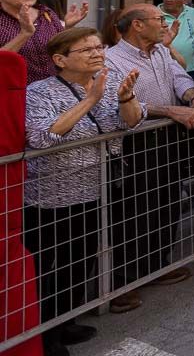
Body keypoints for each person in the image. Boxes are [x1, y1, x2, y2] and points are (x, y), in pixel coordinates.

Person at [24, 28, 143, 356]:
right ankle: (44, 338)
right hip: (52, 194)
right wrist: (89, 99)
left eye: (98, 47)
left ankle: (64, 323)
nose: (97, 53)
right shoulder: (39, 91)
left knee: (80, 261)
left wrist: (125, 98)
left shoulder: (107, 81)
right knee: (51, 267)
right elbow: (42, 136)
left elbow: (132, 122)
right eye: (86, 49)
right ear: (61, 60)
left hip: (97, 188)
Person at [104, 5, 194, 313]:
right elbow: (121, 102)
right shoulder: (111, 59)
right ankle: (122, 281)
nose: (166, 23)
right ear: (137, 25)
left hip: (168, 137)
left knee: (168, 199)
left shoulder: (161, 53)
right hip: (135, 142)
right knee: (134, 208)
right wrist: (170, 110)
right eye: (159, 19)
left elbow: (180, 78)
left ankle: (157, 263)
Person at [1, 0, 88, 82]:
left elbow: (61, 49)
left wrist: (67, 28)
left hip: (51, 90)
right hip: (13, 92)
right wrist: (25, 34)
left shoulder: (46, 14)